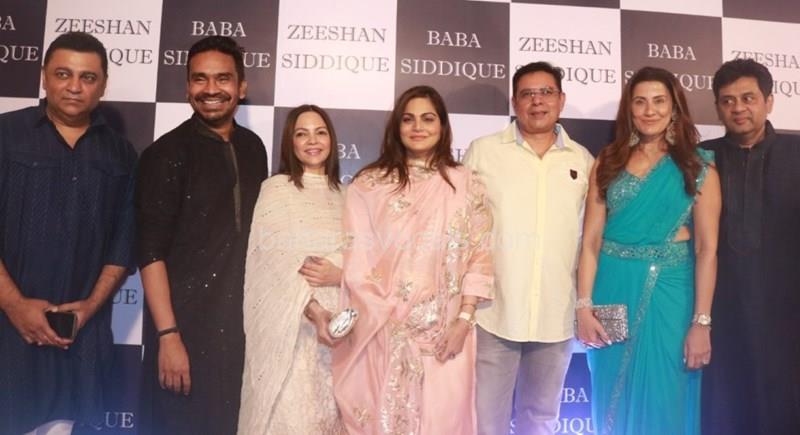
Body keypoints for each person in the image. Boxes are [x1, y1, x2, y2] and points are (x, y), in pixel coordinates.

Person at [332, 85, 494, 434]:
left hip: (447, 335)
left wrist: (463, 321)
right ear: (397, 127)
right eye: (408, 119)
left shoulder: (466, 184)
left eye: (427, 119)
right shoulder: (369, 185)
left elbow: (480, 256)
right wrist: (386, 320)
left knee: (444, 422)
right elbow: (357, 258)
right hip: (383, 332)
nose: (418, 127)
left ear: (443, 126)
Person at [0, 32, 137, 434]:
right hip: (7, 332)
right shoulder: (6, 134)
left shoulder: (122, 153)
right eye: (63, 74)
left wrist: (90, 307)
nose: (74, 86)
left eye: (87, 77)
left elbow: (124, 242)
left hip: (81, 339)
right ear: (44, 76)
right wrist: (14, 304)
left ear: (103, 84)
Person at [576, 66, 721, 435]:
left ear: (674, 108)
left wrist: (701, 322)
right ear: (629, 109)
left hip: (671, 295)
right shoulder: (608, 161)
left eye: (659, 101)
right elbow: (590, 241)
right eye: (640, 102)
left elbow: (706, 250)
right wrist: (583, 306)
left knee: (664, 396)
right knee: (610, 395)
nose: (649, 110)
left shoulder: (698, 166)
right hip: (612, 289)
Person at [136, 35, 268, 435]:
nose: (211, 89)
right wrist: (168, 336)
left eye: (223, 78)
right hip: (184, 330)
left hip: (241, 331)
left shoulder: (254, 148)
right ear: (187, 87)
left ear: (241, 87)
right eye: (200, 79)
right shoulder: (165, 153)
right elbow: (150, 252)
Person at [463, 61, 594, 435]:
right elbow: (463, 228)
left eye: (546, 92)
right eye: (528, 94)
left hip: (555, 312)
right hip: (494, 311)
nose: (538, 101)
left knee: (541, 419)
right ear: (514, 101)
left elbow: (589, 239)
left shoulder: (583, 160)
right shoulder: (483, 152)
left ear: (561, 99)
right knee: (486, 421)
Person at [700, 59, 800, 435]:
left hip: (787, 315)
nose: (738, 108)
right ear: (717, 107)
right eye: (727, 101)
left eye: (748, 98)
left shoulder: (796, 154)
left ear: (769, 101)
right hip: (721, 312)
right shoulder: (700, 158)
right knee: (724, 408)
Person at [237, 105, 346, 435]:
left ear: (331, 140)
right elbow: (272, 264)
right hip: (293, 333)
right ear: (291, 142)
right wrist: (315, 312)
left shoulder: (348, 195)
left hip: (339, 337)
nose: (312, 141)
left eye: (320, 132)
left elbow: (365, 258)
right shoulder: (277, 189)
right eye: (302, 134)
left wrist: (339, 274)